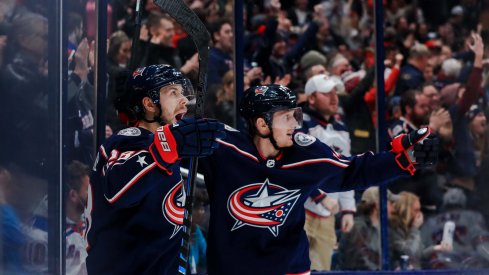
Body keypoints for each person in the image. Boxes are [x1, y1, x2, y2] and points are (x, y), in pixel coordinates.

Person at [197, 84, 438, 274]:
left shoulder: (305, 152)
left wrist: (401, 160)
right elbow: (171, 145)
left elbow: (352, 171)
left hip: (288, 268)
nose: (295, 124)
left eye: (295, 115)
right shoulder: (222, 148)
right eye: (286, 117)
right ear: (262, 124)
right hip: (232, 267)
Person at [85, 64, 225, 274]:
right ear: (150, 104)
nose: (184, 100)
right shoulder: (127, 140)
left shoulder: (166, 144)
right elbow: (117, 191)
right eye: (173, 92)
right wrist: (165, 149)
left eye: (182, 92)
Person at [300, 74, 356, 271]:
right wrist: (320, 197)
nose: (334, 98)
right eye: (327, 93)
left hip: (328, 215)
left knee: (323, 269)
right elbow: (298, 169)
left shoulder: (341, 128)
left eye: (335, 93)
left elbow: (346, 171)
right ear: (312, 98)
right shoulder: (301, 125)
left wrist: (348, 209)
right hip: (300, 211)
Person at [23, 160, 91, 275]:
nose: (91, 196)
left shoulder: (86, 218)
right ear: (73, 195)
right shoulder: (40, 233)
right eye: (87, 191)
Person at [337, 187, 398, 271]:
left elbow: (391, 256)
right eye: (390, 203)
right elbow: (358, 262)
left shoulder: (384, 229)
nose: (393, 208)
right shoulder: (357, 227)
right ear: (377, 204)